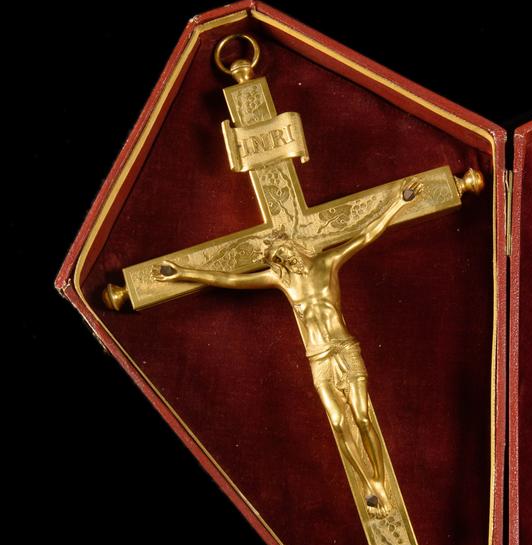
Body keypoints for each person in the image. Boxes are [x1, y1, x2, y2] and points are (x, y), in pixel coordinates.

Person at [156, 178, 423, 517]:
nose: (286, 259)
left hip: (344, 349)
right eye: (280, 258)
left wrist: (400, 202)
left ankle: (380, 482)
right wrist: (184, 272)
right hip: (318, 358)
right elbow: (231, 280)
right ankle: (368, 483)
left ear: (298, 248)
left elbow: (366, 235)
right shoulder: (281, 280)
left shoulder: (327, 262)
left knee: (361, 416)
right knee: (338, 421)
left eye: (287, 252)